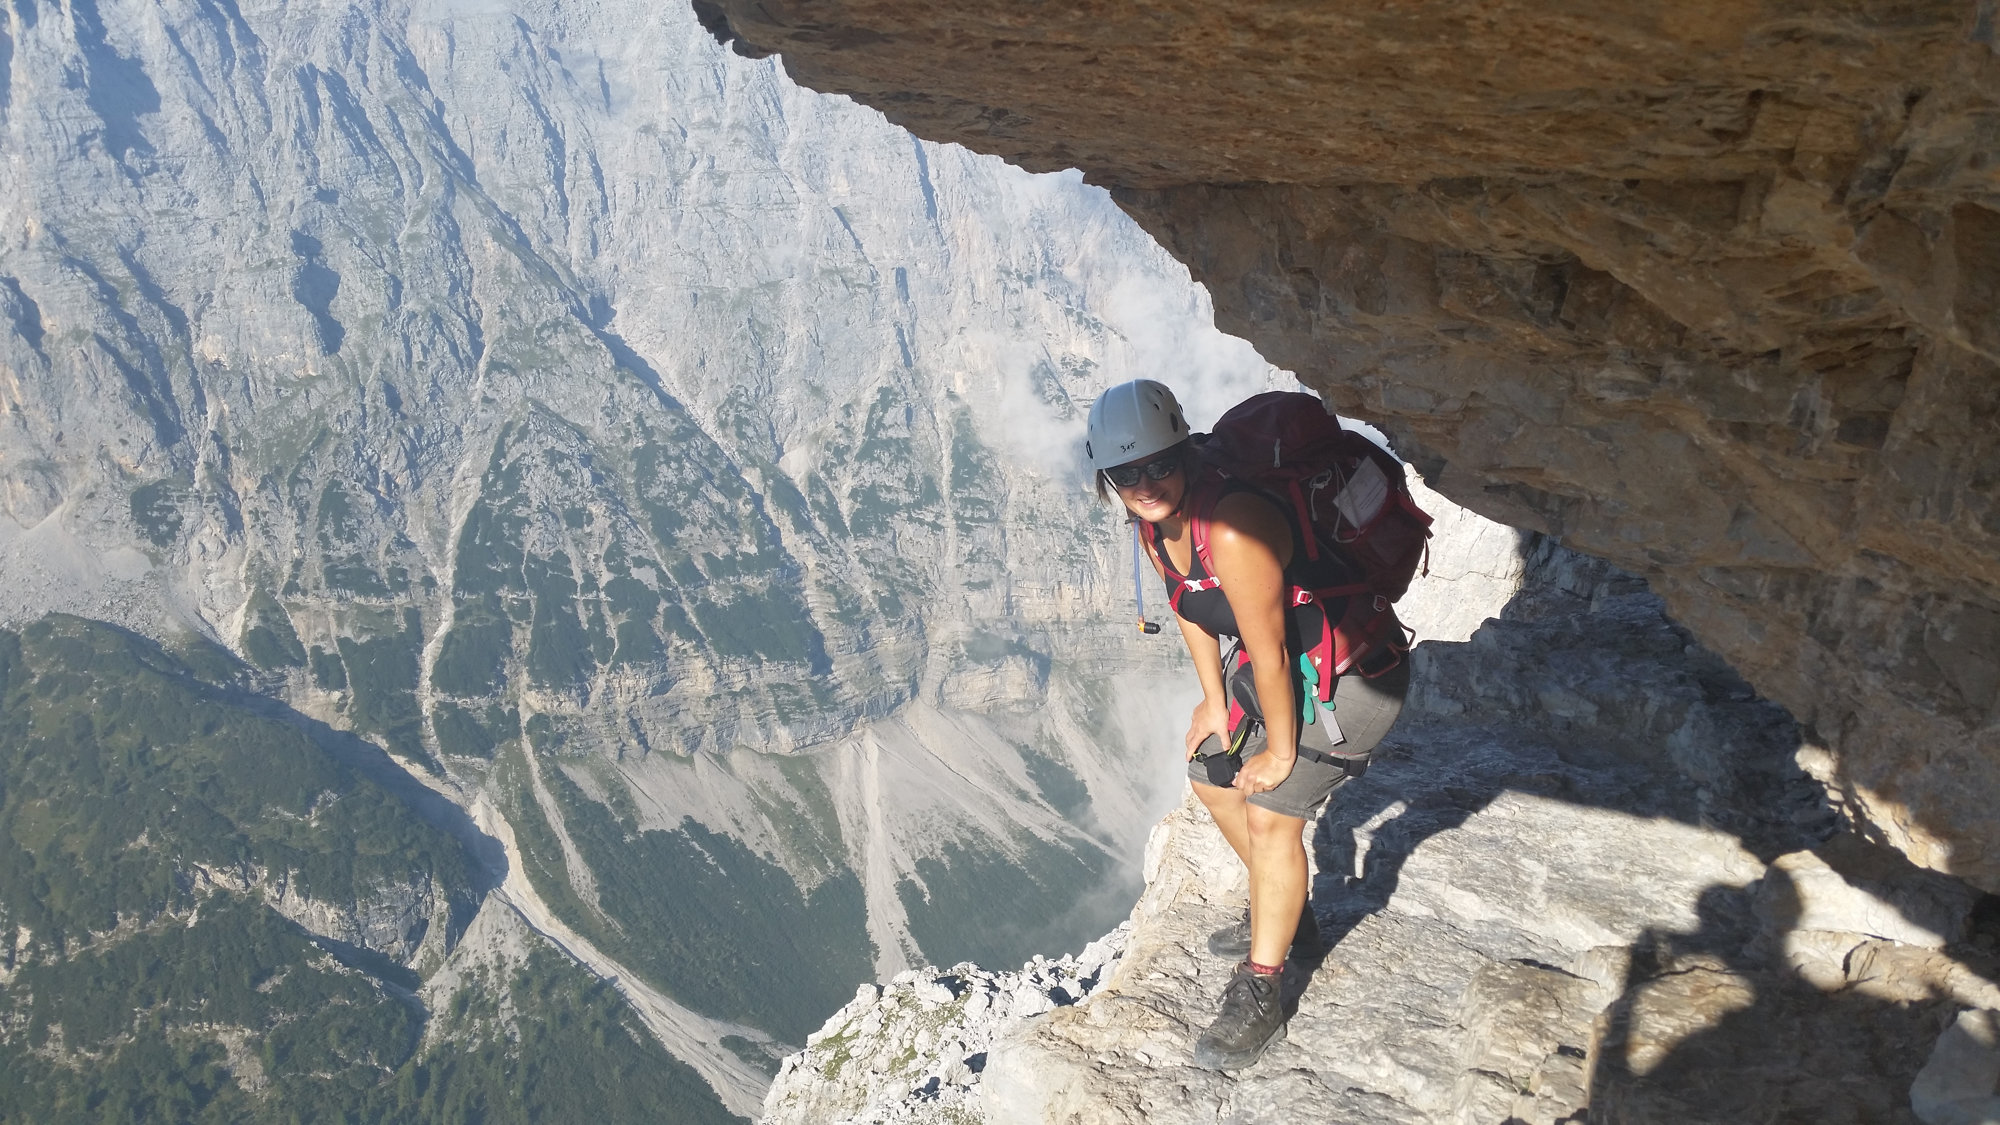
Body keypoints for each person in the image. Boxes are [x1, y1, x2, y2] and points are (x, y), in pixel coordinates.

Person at [1085, 379, 1410, 1071]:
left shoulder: (1230, 527)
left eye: (1159, 464)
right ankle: (1289, 914)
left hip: (1353, 672)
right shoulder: (1152, 526)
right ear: (1106, 477)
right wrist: (1212, 701)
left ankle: (1263, 985)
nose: (1144, 483)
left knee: (1270, 812)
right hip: (1296, 665)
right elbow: (1188, 607)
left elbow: (1266, 651)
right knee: (1209, 771)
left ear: (1185, 450)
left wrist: (1283, 750)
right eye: (1124, 472)